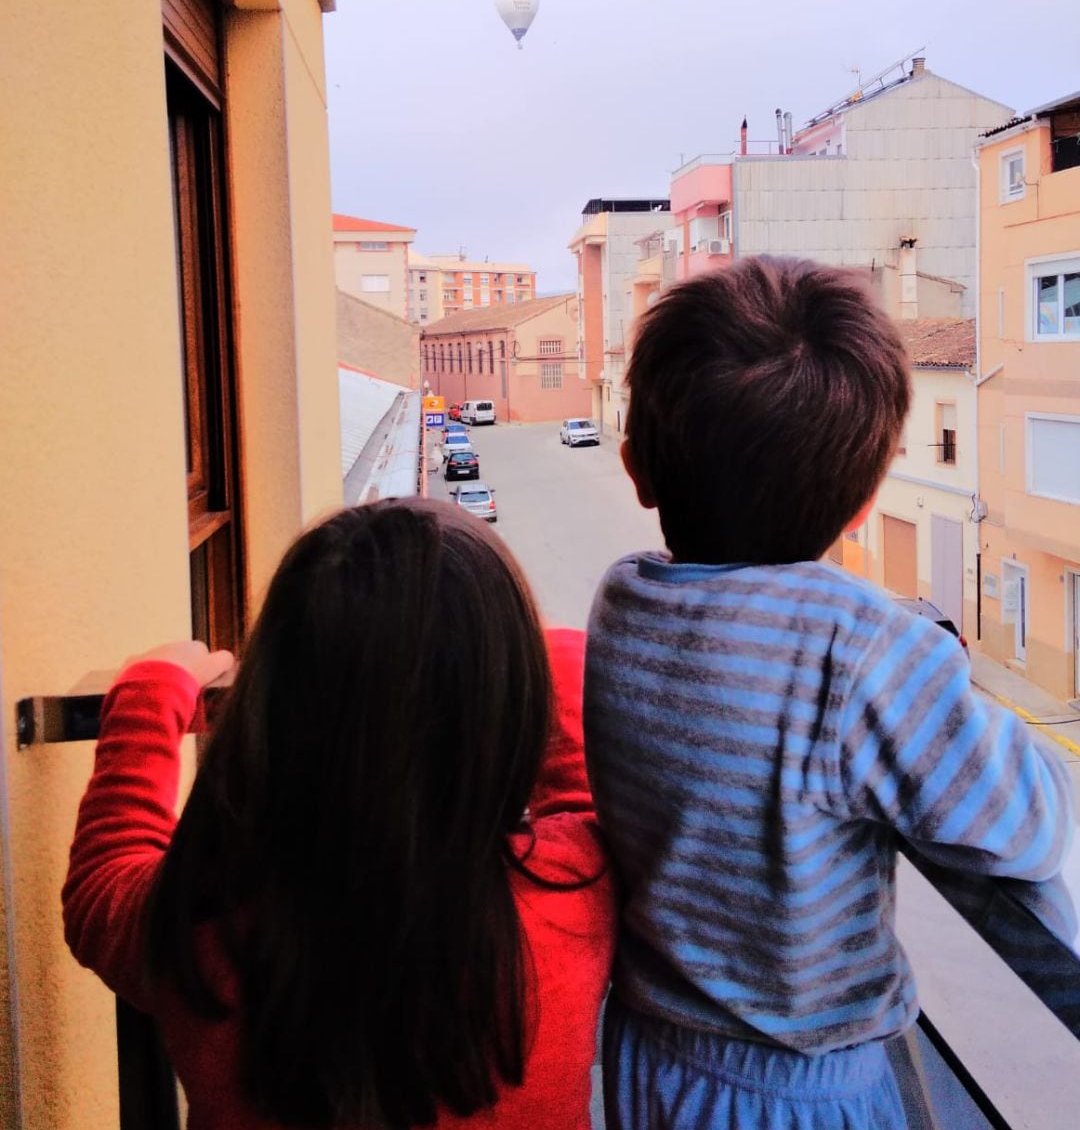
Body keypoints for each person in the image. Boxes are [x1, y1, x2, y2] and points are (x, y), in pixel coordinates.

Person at [583, 256, 1074, 1130]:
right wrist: (935, 665)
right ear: (865, 502)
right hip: (804, 1093)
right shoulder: (860, 644)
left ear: (635, 469)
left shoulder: (626, 598)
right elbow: (1026, 824)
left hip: (647, 1059)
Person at [64, 498, 614, 1129]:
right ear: (510, 705)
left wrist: (149, 691)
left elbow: (103, 876)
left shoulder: (198, 931)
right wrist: (557, 659)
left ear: (268, 705)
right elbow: (579, 797)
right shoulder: (574, 897)